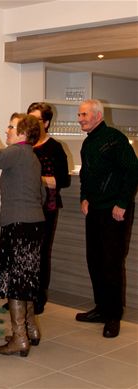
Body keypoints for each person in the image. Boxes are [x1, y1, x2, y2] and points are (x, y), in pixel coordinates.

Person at [0, 113, 45, 357]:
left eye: (11, 127)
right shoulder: (32, 157)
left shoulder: (17, 152)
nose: (6, 130)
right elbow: (42, 195)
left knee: (16, 279)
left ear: (23, 134)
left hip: (18, 224)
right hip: (34, 223)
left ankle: (19, 338)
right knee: (26, 277)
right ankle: (30, 330)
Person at [75, 99, 138, 338]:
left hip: (115, 210)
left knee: (111, 263)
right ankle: (101, 309)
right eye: (79, 114)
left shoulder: (115, 139)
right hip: (95, 210)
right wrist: (84, 197)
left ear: (97, 116)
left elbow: (133, 170)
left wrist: (122, 202)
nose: (80, 118)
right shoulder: (88, 142)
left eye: (83, 114)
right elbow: (86, 175)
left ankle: (113, 316)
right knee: (95, 260)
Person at [27, 102, 70, 314]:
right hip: (24, 206)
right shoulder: (23, 144)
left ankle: (38, 297)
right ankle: (22, 298)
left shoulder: (55, 147)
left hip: (47, 207)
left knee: (41, 253)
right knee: (23, 252)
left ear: (46, 123)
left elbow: (64, 180)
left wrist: (38, 179)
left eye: (35, 119)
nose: (31, 123)